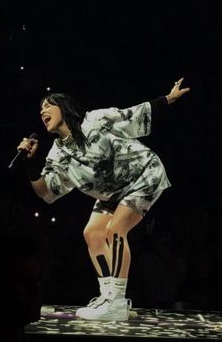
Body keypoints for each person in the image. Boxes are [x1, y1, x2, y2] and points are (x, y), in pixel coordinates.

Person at [17, 77, 190, 321]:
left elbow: (133, 115)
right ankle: (108, 297)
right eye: (40, 109)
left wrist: (168, 99)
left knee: (116, 229)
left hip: (143, 174)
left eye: (48, 105)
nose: (43, 111)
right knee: (93, 232)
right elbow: (46, 192)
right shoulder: (58, 153)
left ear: (64, 107)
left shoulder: (94, 120)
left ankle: (118, 302)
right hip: (112, 192)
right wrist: (31, 164)